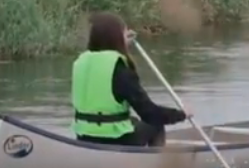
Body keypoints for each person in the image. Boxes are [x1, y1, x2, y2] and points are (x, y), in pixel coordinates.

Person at [71, 12, 188, 147]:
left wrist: (123, 41)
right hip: (115, 139)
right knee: (156, 123)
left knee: (132, 120)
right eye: (124, 33)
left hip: (84, 137)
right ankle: (154, 159)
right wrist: (181, 115)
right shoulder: (119, 69)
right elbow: (149, 114)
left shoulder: (81, 62)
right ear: (117, 37)